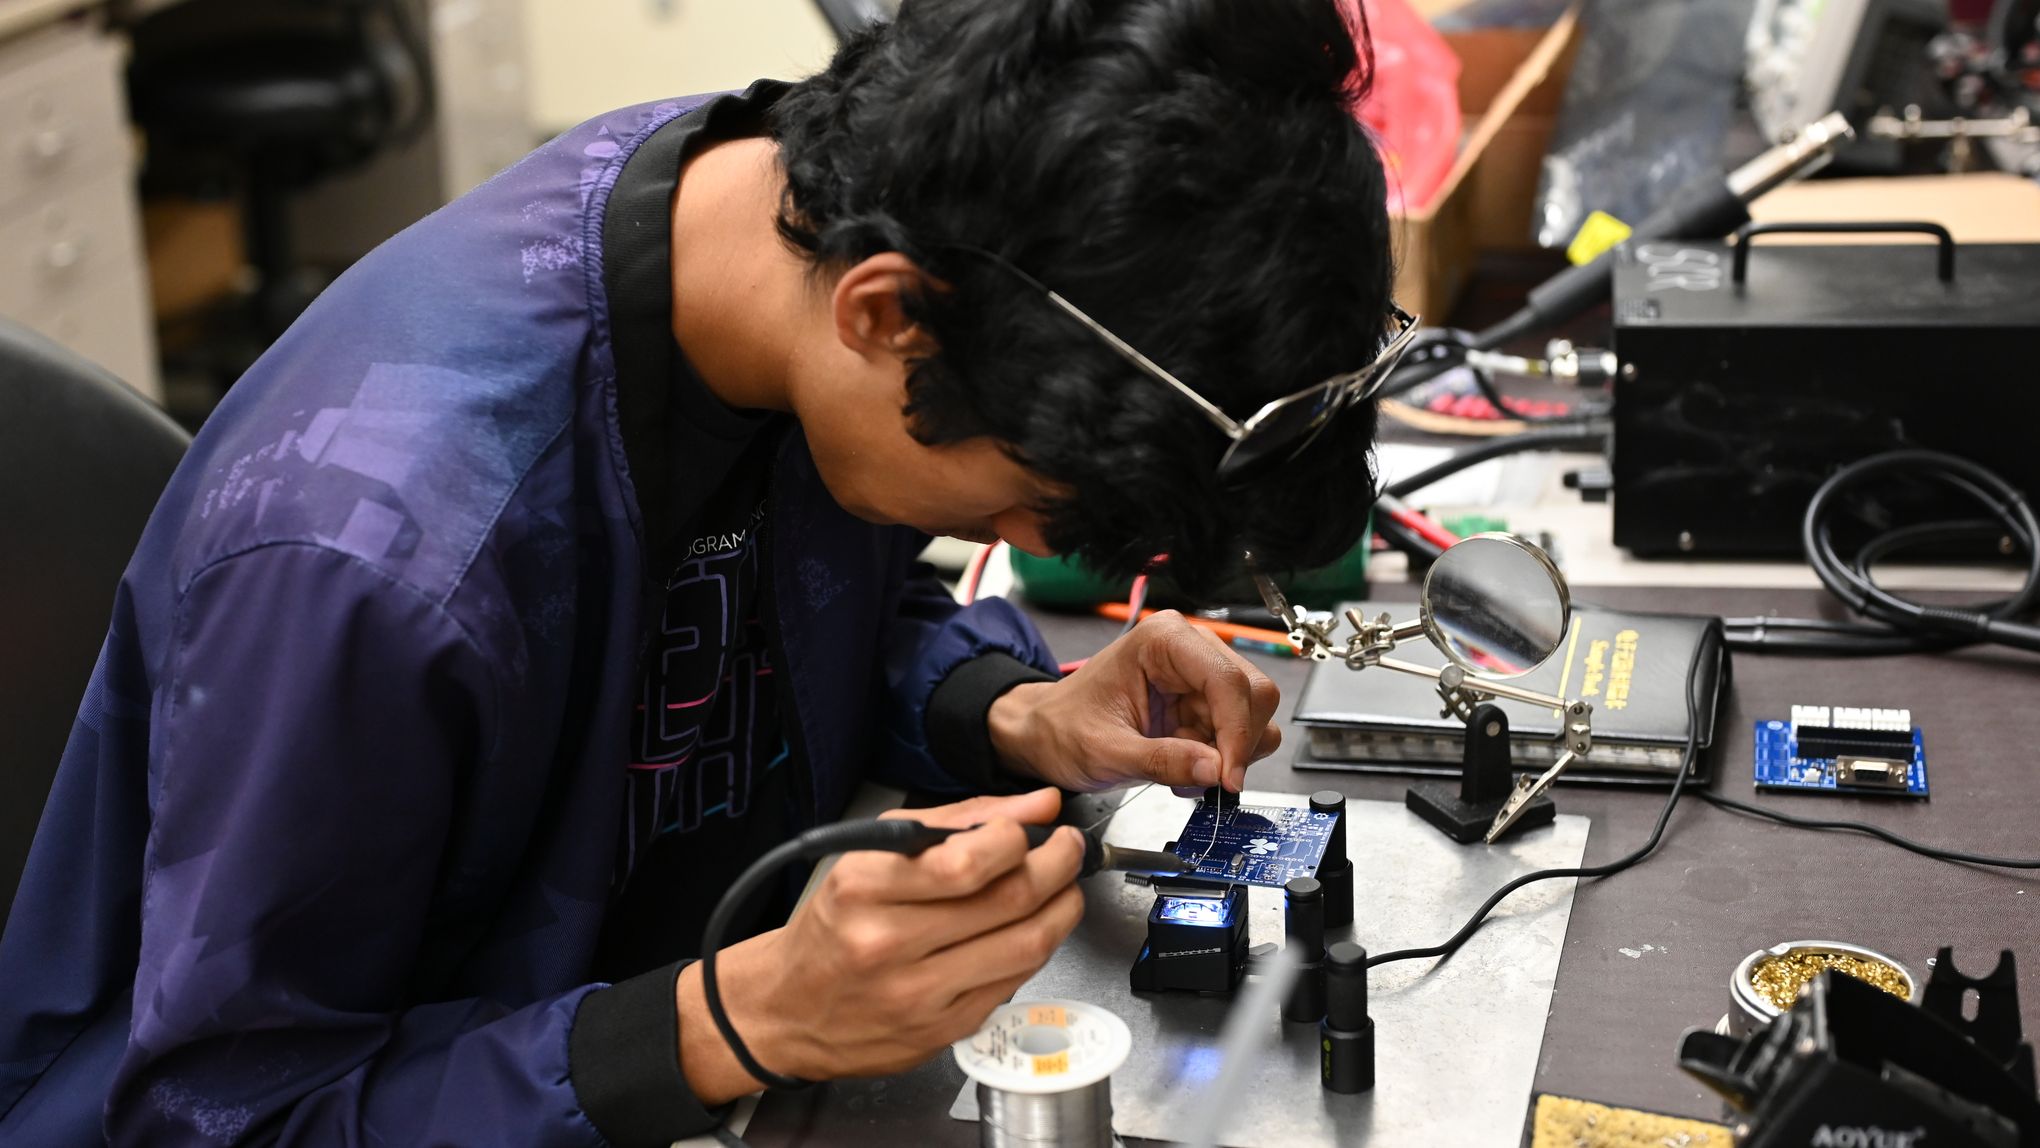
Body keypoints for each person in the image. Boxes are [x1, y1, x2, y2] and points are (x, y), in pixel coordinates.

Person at [0, 0, 1398, 1143]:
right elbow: (221, 1118)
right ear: (886, 316)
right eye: (1037, 507)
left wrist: (1006, 707)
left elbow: (795, 605)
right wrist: (736, 1022)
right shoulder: (377, 566)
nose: (1033, 551)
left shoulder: (797, 221)